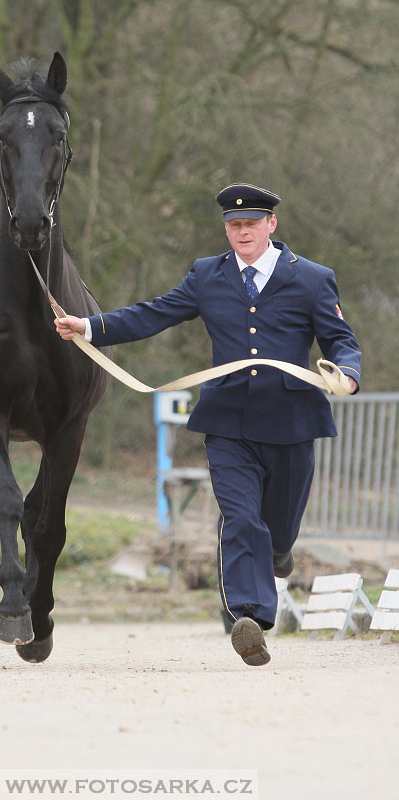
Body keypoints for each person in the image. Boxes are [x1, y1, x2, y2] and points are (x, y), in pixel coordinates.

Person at [55, 183, 361, 667]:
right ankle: (251, 619)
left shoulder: (313, 279)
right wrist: (90, 326)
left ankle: (279, 555)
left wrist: (347, 373)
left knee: (277, 531)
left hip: (293, 423)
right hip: (229, 423)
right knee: (240, 518)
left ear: (271, 225)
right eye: (234, 225)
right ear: (226, 229)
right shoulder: (206, 275)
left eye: (251, 223)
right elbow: (154, 313)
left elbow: (341, 340)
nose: (242, 231)